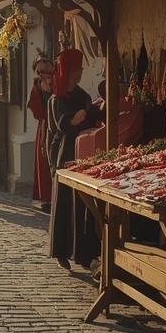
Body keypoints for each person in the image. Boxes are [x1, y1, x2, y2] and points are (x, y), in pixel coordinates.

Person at [47, 49, 102, 270]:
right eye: (77, 70)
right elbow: (64, 125)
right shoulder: (56, 98)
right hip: (65, 155)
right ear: (69, 72)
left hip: (84, 155)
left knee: (83, 206)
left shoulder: (81, 95)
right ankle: (61, 251)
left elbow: (88, 116)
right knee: (64, 205)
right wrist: (74, 119)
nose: (80, 73)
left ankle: (83, 254)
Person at [27, 56, 55, 212]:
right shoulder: (37, 86)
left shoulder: (58, 81)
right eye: (39, 71)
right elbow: (34, 106)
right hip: (45, 126)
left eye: (44, 69)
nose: (42, 73)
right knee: (44, 163)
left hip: (58, 125)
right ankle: (47, 198)